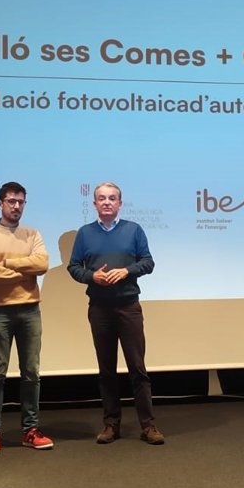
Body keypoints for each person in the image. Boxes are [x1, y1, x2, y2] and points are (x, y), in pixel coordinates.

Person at [68, 181, 164, 445]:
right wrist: (92, 277)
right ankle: (111, 425)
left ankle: (148, 426)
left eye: (112, 198)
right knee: (106, 370)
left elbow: (148, 262)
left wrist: (126, 271)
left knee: (137, 368)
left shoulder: (134, 230)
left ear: (120, 203)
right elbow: (73, 267)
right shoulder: (85, 233)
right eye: (102, 198)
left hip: (128, 307)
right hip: (99, 309)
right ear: (95, 204)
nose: (107, 202)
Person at [0, 181, 52, 456]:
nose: (16, 206)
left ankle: (30, 430)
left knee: (31, 372)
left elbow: (42, 264)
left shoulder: (32, 234)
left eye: (21, 202)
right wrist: (25, 272)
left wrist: (7, 263)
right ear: (0, 204)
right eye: (11, 201)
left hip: (30, 310)